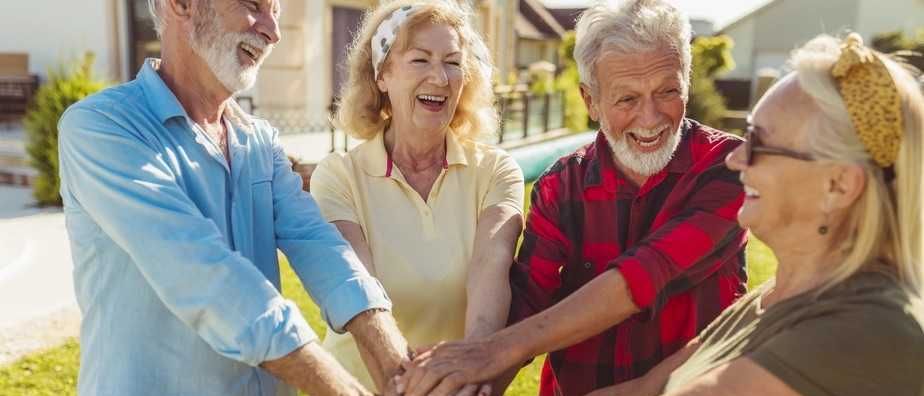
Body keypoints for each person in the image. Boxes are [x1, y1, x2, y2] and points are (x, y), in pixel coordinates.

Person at [57, 0, 410, 394]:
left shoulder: (259, 140)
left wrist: (397, 368)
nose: (273, 32)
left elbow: (320, 244)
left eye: (276, 12)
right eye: (253, 5)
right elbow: (202, 276)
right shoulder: (102, 128)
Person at [396, 1, 747, 395]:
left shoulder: (731, 167)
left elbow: (647, 273)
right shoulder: (560, 186)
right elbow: (527, 301)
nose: (651, 118)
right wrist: (473, 385)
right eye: (627, 99)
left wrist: (494, 350)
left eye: (667, 91)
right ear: (590, 101)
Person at [589, 33, 924, 396]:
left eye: (759, 143)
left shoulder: (866, 333)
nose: (735, 158)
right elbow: (643, 390)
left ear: (839, 185)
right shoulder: (776, 297)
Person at [309, 1, 524, 394]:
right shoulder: (339, 176)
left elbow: (490, 273)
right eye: (420, 59)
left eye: (453, 63)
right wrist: (407, 386)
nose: (440, 78)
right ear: (382, 75)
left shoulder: (496, 171)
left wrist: (469, 372)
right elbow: (359, 293)